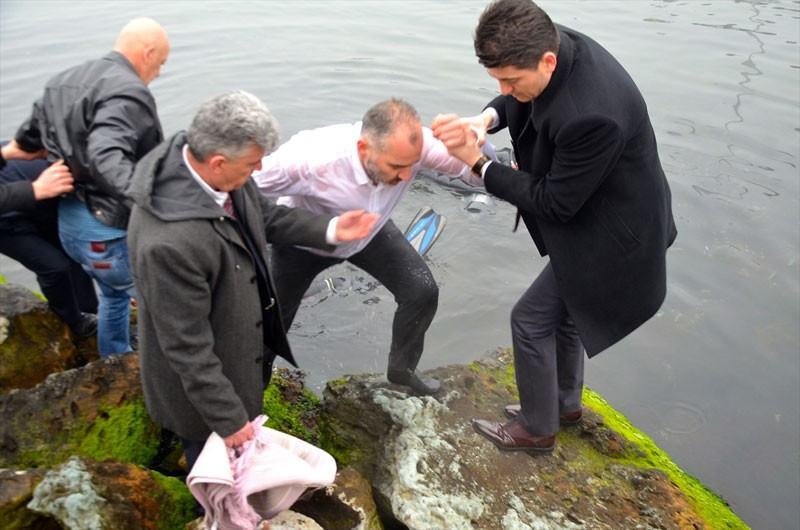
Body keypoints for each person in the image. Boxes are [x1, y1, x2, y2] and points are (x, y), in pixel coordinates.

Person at [431, 0, 677, 454]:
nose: (505, 89)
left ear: (547, 59)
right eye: (497, 80)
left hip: (615, 235)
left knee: (529, 321)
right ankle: (564, 405)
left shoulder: (592, 114)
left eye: (511, 81)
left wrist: (479, 164)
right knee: (567, 317)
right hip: (601, 211)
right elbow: (519, 96)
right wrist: (485, 118)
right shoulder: (547, 40)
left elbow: (554, 202)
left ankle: (536, 430)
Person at [127, 90, 379, 473]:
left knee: (238, 455)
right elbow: (186, 348)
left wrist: (330, 228)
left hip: (236, 351)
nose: (259, 170)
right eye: (251, 163)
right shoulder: (168, 244)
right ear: (217, 162)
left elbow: (266, 217)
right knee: (213, 470)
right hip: (199, 396)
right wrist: (229, 420)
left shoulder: (225, 177)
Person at [251, 98, 488, 395]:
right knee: (271, 327)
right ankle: (251, 397)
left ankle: (402, 370)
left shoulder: (418, 146)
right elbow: (239, 191)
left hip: (370, 230)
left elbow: (475, 174)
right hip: (304, 244)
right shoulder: (310, 159)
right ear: (364, 149)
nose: (406, 176)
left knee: (422, 291)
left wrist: (475, 146)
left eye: (411, 166)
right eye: (396, 167)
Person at [11, 17, 170, 356]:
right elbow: (106, 156)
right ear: (148, 52)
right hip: (106, 234)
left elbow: (27, 140)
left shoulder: (62, 81)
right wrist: (158, 205)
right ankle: (170, 377)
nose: (158, 73)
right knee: (169, 304)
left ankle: (115, 359)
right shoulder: (128, 89)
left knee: (113, 296)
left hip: (71, 228)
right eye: (161, 64)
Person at [0, 143, 98, 336]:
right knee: (54, 266)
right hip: (5, 223)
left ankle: (91, 313)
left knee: (73, 254)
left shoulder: (70, 159)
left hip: (41, 203)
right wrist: (34, 189)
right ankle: (73, 321)